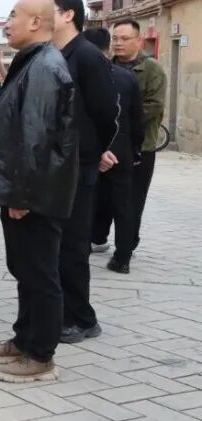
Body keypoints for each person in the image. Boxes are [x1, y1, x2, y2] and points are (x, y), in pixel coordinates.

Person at [0, 0, 78, 383]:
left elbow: (36, 138)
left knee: (40, 273)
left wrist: (22, 196)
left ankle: (41, 355)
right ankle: (24, 338)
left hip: (35, 194)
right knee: (24, 269)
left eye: (13, 15)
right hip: (24, 190)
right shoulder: (33, 61)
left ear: (36, 22)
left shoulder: (45, 67)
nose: (8, 22)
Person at [50, 0, 118, 345]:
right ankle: (62, 311)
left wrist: (94, 150)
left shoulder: (88, 57)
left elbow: (106, 113)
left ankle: (83, 318)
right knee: (59, 244)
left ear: (69, 15)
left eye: (51, 10)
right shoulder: (54, 54)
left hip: (79, 162)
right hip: (56, 163)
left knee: (75, 245)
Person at [84, 27, 143, 273]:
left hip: (90, 150)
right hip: (121, 149)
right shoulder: (126, 77)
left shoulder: (80, 75)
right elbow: (137, 119)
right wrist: (135, 150)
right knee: (124, 205)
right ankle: (123, 258)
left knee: (86, 201)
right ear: (107, 46)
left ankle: (81, 249)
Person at [111, 19, 168, 262]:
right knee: (104, 199)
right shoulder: (106, 66)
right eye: (115, 38)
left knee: (133, 199)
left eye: (125, 39)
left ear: (139, 41)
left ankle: (127, 246)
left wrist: (121, 120)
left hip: (140, 146)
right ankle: (98, 237)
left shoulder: (152, 69)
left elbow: (154, 105)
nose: (118, 43)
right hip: (108, 147)